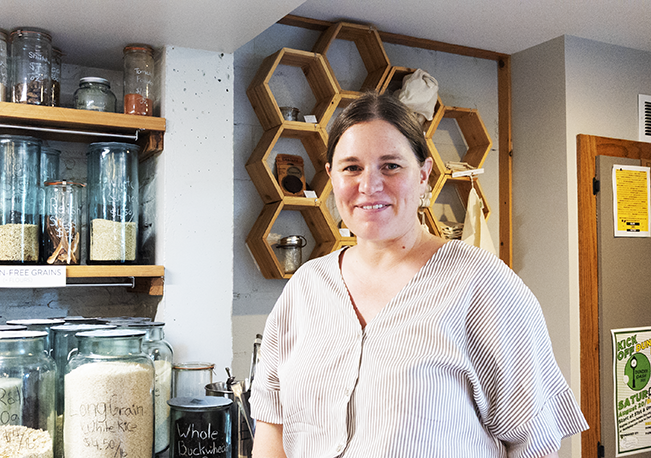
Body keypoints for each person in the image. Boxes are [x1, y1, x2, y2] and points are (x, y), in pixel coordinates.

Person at [250, 92, 588, 457]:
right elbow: (273, 424)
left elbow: (534, 442)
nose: (369, 185)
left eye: (391, 165)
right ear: (331, 176)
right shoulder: (306, 287)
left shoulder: (482, 285)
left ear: (424, 175)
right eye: (352, 167)